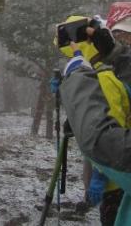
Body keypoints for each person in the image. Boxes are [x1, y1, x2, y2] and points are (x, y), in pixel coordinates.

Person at [57, 16, 131, 225]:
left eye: (125, 36)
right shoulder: (108, 71)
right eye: (118, 36)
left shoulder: (105, 76)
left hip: (115, 178)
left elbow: (104, 138)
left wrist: (77, 84)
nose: (122, 40)